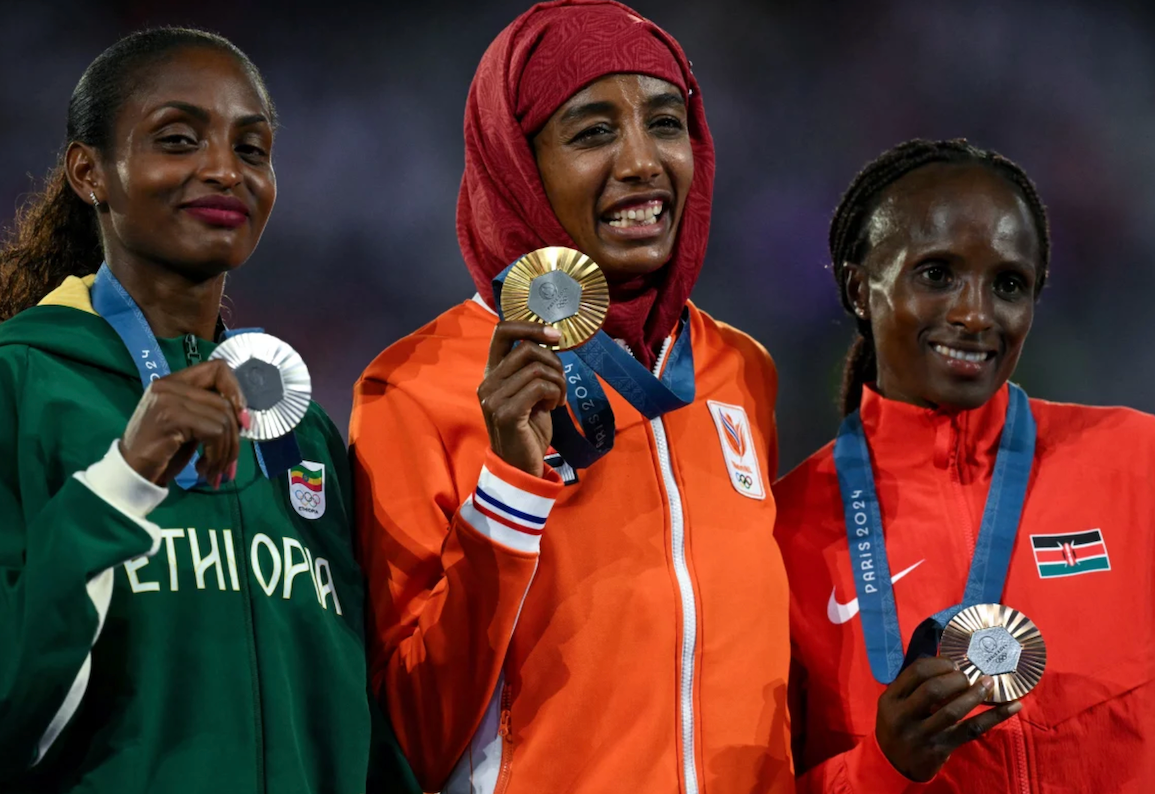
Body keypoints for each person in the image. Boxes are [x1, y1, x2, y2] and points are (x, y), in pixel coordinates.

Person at [0, 27, 414, 793]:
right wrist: (120, 482)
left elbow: (359, 725)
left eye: (254, 149)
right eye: (178, 140)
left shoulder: (301, 429)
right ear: (88, 172)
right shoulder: (15, 391)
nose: (224, 171)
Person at [349, 2, 793, 792]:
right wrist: (508, 495)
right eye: (592, 132)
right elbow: (408, 738)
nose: (643, 162)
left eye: (666, 123)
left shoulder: (739, 370)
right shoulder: (414, 389)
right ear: (515, 163)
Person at [773, 138, 1155, 793]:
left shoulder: (1136, 463)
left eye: (1008, 284)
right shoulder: (782, 532)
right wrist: (882, 767)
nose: (976, 314)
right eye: (937, 274)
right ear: (859, 289)